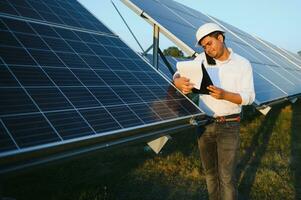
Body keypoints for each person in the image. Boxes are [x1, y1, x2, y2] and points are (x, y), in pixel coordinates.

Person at [173, 23, 255, 200]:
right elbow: (178, 73)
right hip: (205, 124)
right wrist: (177, 81)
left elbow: (249, 97)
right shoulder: (201, 59)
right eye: (204, 46)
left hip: (229, 124)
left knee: (226, 177)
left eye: (209, 43)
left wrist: (225, 95)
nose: (207, 49)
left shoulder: (242, 64)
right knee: (210, 174)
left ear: (220, 38)